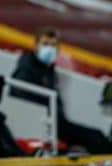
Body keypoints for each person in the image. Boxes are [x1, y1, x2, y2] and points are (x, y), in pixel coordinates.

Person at [11, 26, 112, 154]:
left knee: (98, 136)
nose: (49, 49)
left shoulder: (48, 70)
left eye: (53, 45)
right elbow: (19, 95)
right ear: (36, 46)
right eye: (45, 44)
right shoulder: (27, 68)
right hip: (46, 124)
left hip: (55, 122)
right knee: (96, 138)